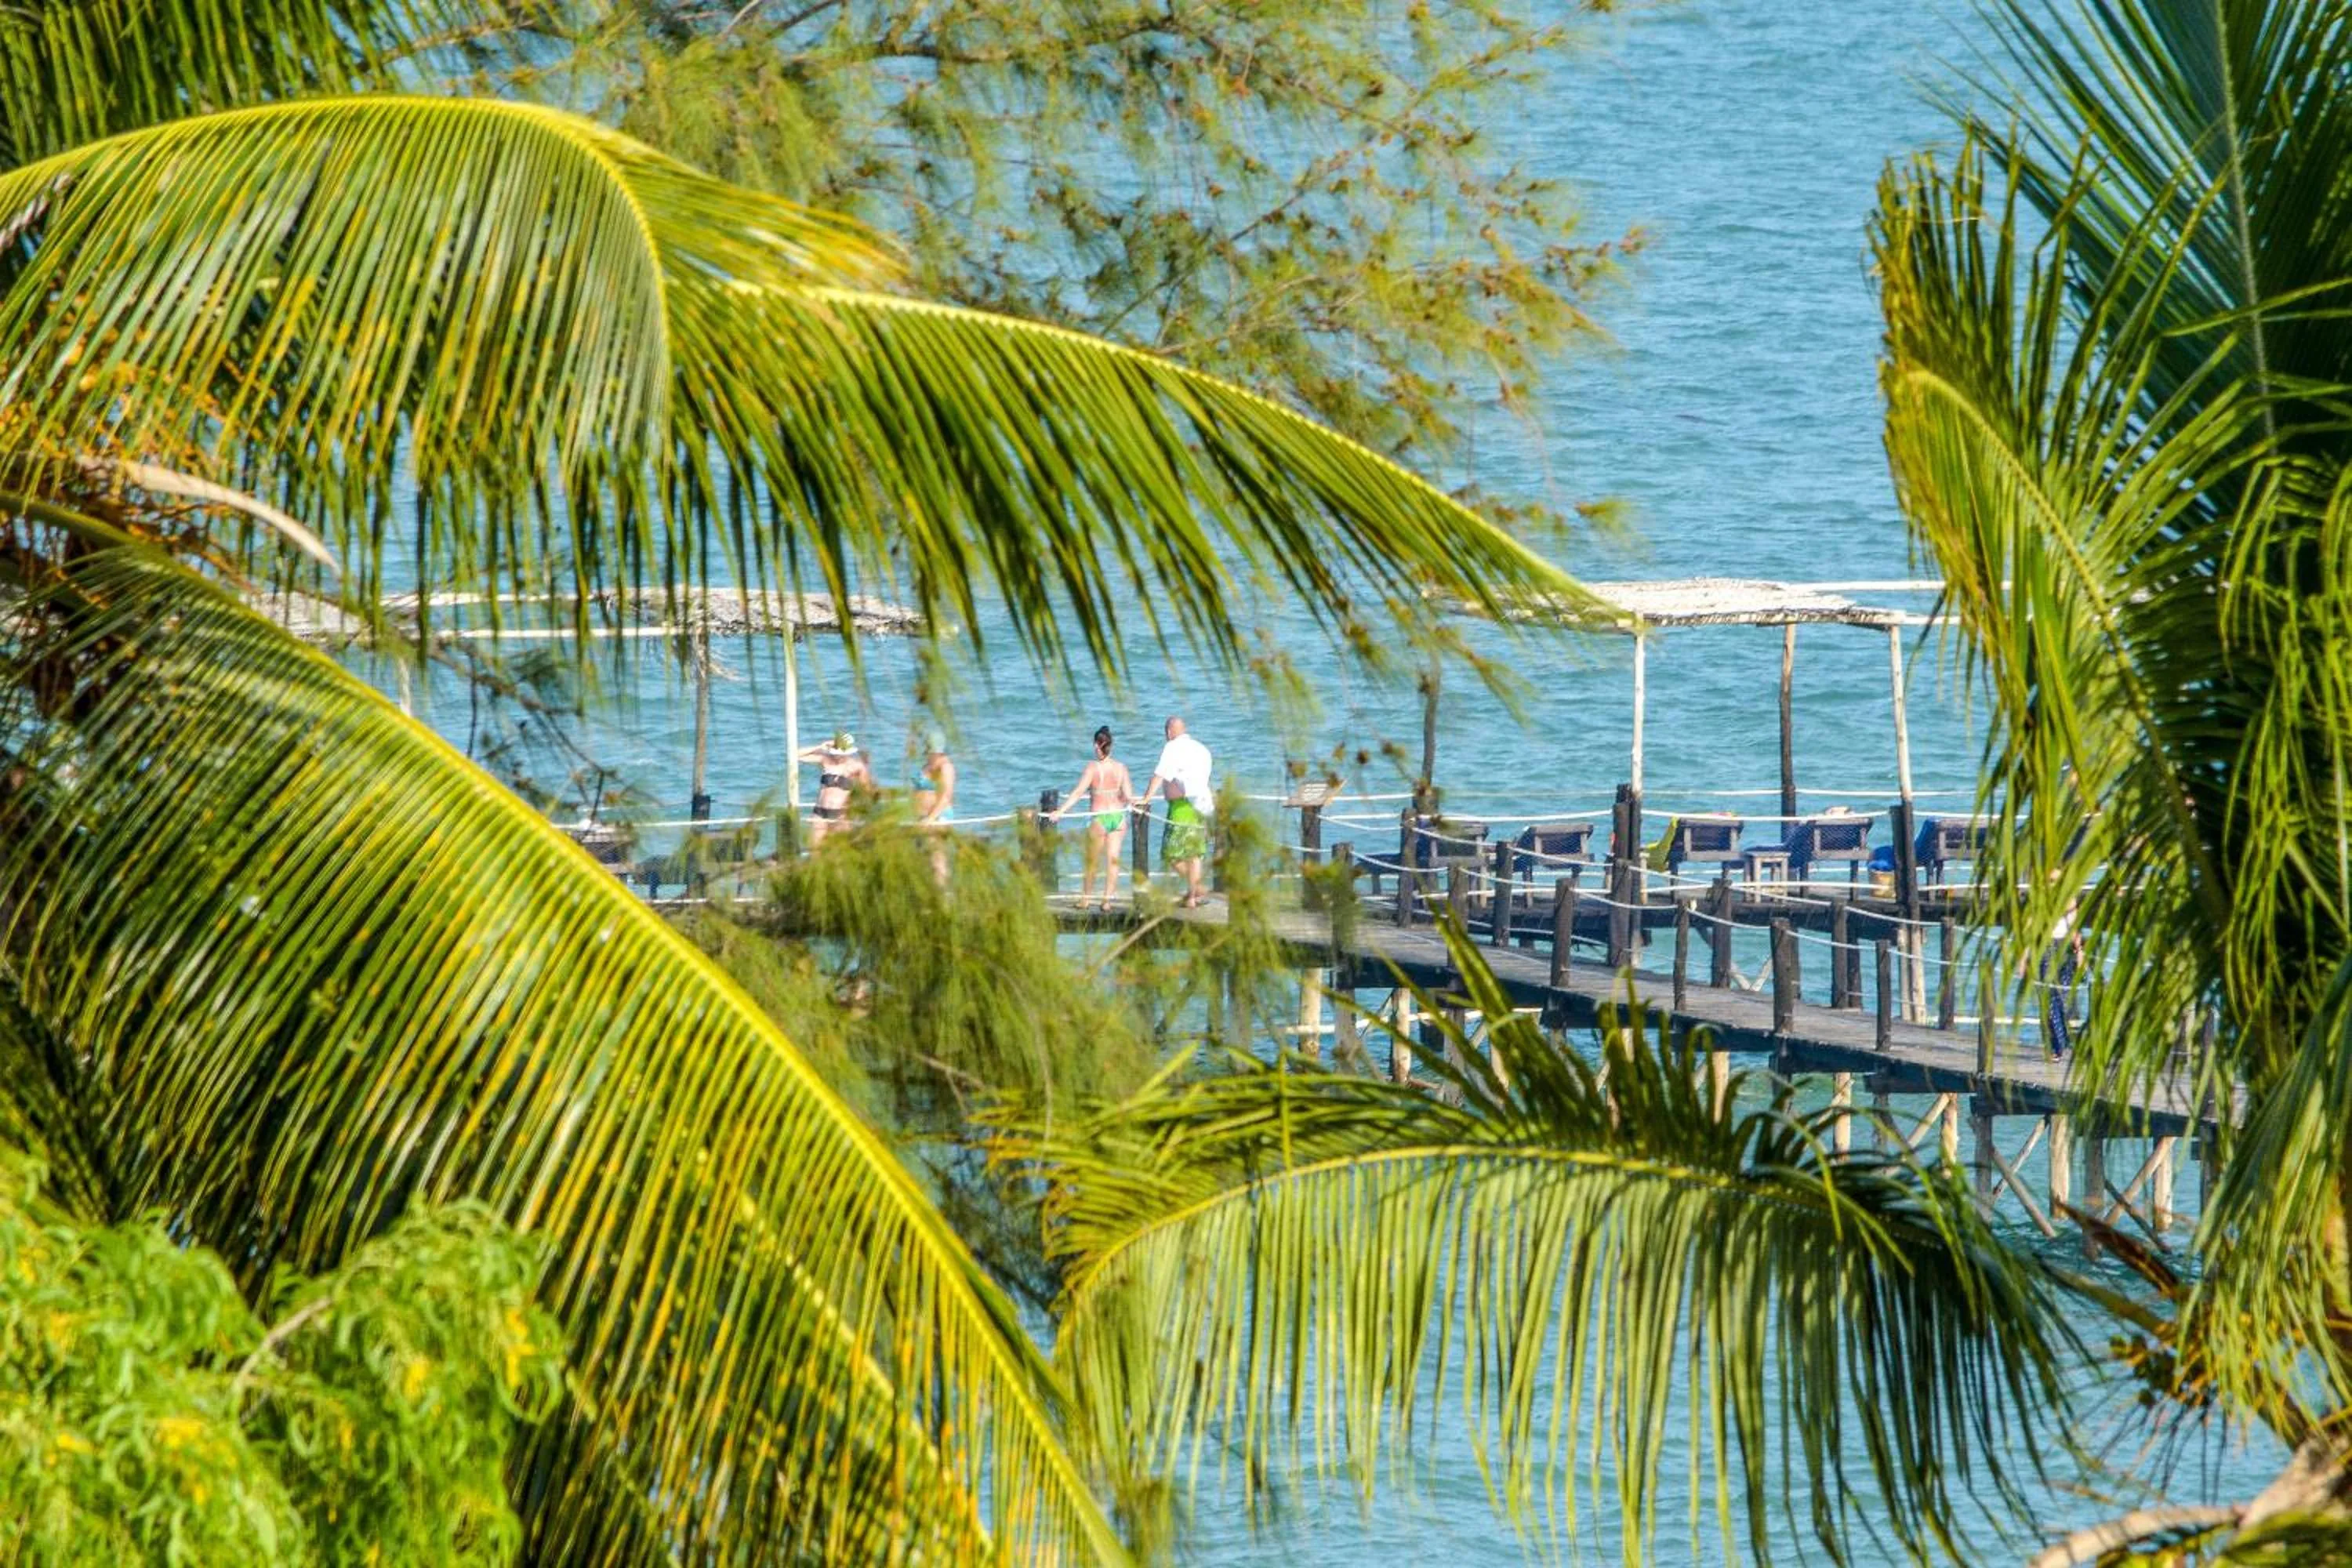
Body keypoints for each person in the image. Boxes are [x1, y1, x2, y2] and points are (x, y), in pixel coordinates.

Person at [1051, 725, 1133, 909]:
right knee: (1113, 860)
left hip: (1099, 817)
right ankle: (1107, 901)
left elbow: (1079, 792)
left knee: (1092, 861)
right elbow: (1128, 796)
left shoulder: (1093, 768)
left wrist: (1061, 811)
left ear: (1097, 745)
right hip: (1118, 817)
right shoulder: (1121, 768)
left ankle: (1086, 899)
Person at [1139, 714, 1214, 908]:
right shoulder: (1201, 749)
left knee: (1170, 854)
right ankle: (1192, 897)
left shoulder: (1173, 747)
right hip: (1201, 805)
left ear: (1169, 732)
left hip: (1182, 807)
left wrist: (1146, 798)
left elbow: (1159, 774)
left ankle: (1197, 888)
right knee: (1195, 854)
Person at [795, 731, 870, 847]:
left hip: (840, 814)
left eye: (841, 753)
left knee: (842, 849)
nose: (838, 756)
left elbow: (866, 790)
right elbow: (796, 755)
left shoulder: (857, 767)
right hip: (820, 813)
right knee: (815, 849)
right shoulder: (825, 760)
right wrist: (820, 746)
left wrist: (857, 809)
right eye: (836, 753)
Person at [914, 726, 956, 883]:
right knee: (922, 857)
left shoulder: (946, 767)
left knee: (937, 858)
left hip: (938, 816)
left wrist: (931, 818)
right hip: (921, 817)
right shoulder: (926, 766)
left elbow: (946, 797)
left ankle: (944, 898)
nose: (931, 754)